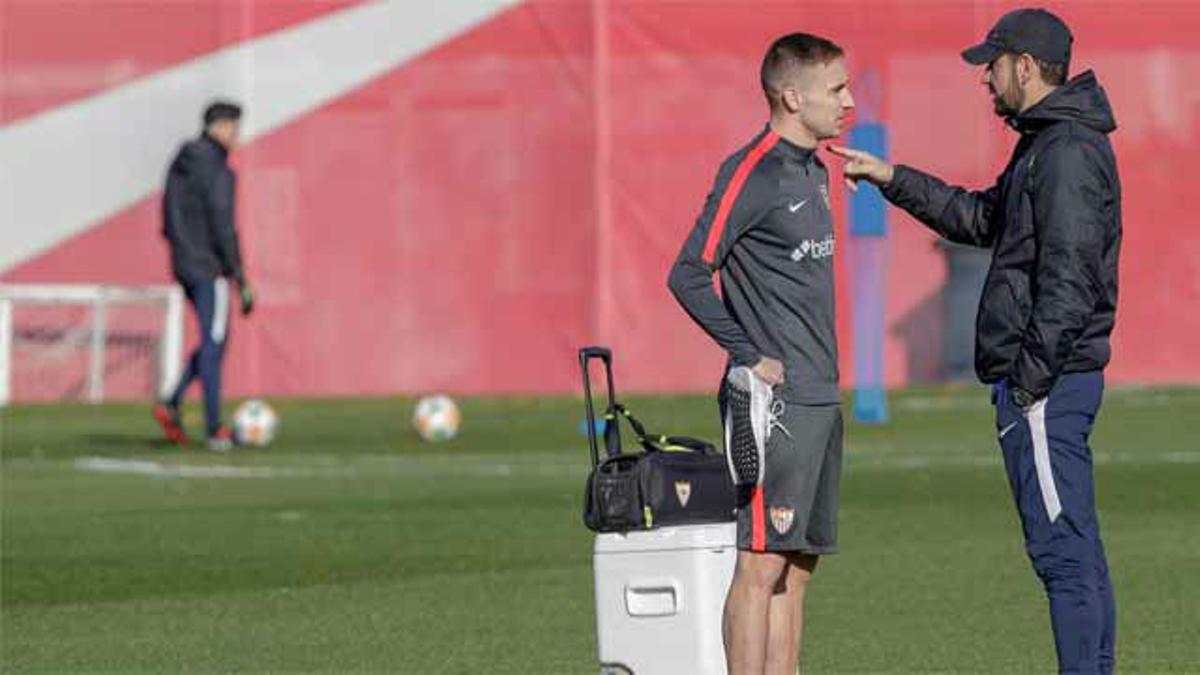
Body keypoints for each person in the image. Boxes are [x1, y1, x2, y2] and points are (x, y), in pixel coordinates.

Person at [831, 9, 1120, 673]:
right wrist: (891, 177)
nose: (984, 81)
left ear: (1024, 66)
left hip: (1047, 385)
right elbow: (983, 217)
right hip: (1048, 381)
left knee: (1064, 558)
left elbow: (1070, 278)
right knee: (1076, 550)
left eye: (991, 66)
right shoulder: (1047, 143)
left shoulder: (1067, 150)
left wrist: (1029, 382)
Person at [667, 33, 853, 675]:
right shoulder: (753, 171)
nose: (848, 101)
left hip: (821, 397)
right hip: (774, 406)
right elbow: (688, 273)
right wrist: (746, 353)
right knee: (760, 563)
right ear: (792, 96)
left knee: (797, 570)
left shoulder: (815, 168)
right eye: (837, 89)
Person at [154, 101, 255, 452]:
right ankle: (215, 427)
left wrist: (182, 251)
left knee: (213, 342)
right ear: (221, 127)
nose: (237, 135)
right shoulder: (218, 171)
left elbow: (167, 217)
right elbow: (223, 225)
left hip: (183, 264)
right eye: (234, 127)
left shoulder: (179, 165)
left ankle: (173, 402)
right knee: (214, 345)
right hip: (210, 267)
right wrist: (239, 276)